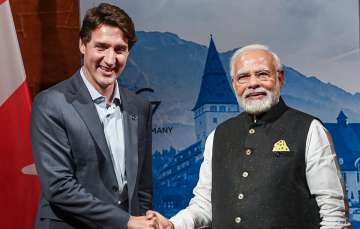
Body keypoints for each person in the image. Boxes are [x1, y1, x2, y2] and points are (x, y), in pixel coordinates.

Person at [148, 44, 351, 228]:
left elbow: (334, 215)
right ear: (235, 85)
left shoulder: (310, 129)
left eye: (262, 74)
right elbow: (204, 205)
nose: (253, 83)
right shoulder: (217, 136)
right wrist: (173, 225)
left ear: (280, 79)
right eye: (243, 77)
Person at [31, 3, 157, 229]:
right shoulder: (51, 103)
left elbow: (142, 187)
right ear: (82, 45)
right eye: (101, 47)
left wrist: (141, 220)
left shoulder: (140, 107)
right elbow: (59, 187)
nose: (110, 60)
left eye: (120, 49)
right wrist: (126, 222)